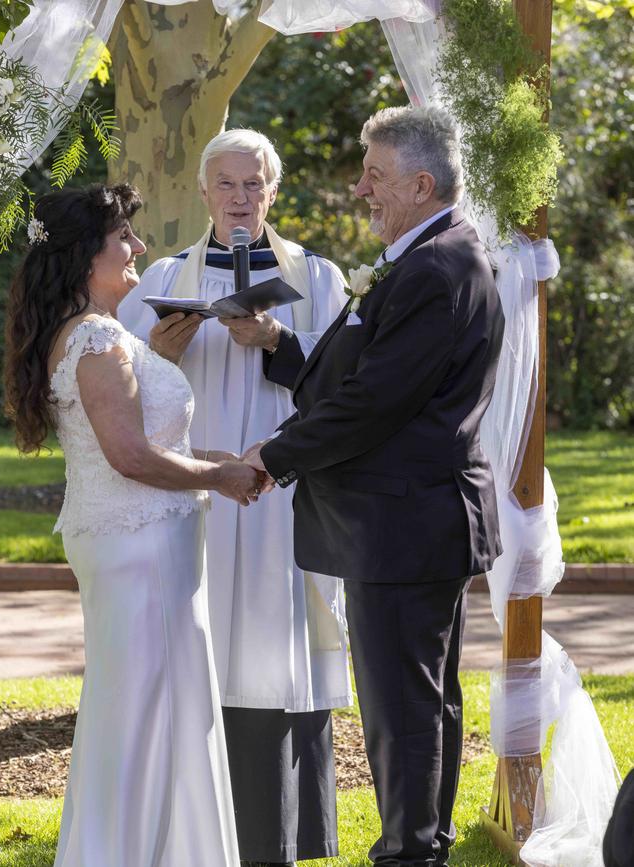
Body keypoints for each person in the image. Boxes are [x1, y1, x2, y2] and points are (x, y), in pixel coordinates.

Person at [244, 106, 505, 866]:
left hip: (404, 524)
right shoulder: (430, 251)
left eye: (375, 175)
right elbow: (370, 374)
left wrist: (273, 455)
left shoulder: (434, 268)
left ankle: (410, 852)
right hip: (419, 519)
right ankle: (423, 843)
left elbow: (374, 402)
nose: (361, 188)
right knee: (425, 698)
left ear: (422, 184)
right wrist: (284, 347)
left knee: (402, 708)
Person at [4, 183, 262, 867]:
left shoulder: (105, 335)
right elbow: (130, 455)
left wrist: (229, 461)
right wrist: (219, 477)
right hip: (138, 550)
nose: (139, 247)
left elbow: (146, 442)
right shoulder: (95, 339)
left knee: (160, 709)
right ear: (88, 254)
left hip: (143, 543)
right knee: (144, 713)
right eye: (125, 237)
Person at [120, 129, 352, 867]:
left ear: (274, 191)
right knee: (196, 645)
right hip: (190, 492)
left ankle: (275, 836)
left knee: (270, 650)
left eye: (255, 184)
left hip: (281, 494)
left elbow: (353, 382)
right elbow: (114, 388)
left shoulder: (316, 277)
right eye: (227, 184)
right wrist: (159, 352)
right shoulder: (162, 274)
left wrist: (281, 338)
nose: (241, 198)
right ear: (202, 191)